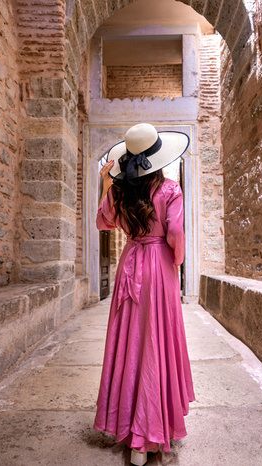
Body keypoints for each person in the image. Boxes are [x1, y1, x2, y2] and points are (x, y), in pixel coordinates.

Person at [93, 123, 195, 465]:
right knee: (156, 343)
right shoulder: (170, 190)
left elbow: (103, 222)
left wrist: (108, 183)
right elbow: (176, 233)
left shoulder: (119, 192)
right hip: (159, 268)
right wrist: (176, 264)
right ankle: (149, 437)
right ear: (158, 157)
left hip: (130, 262)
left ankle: (131, 432)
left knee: (131, 342)